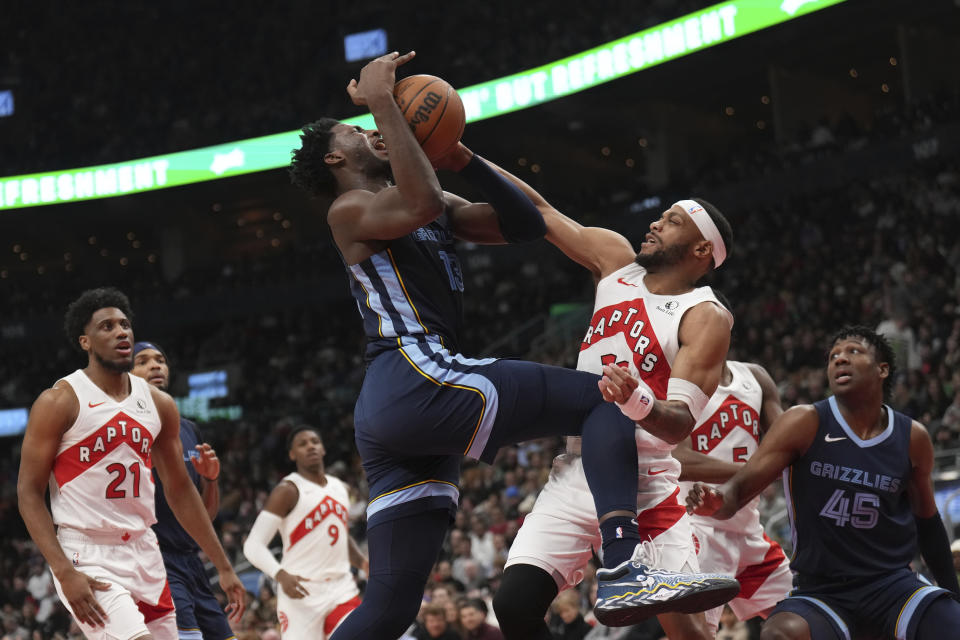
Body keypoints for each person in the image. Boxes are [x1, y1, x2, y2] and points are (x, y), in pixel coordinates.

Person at [287, 51, 734, 638]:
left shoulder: (433, 204)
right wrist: (381, 102)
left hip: (406, 410)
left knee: (391, 607)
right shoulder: (350, 208)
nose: (373, 128)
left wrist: (463, 160)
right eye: (357, 131)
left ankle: (625, 562)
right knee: (606, 397)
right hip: (415, 372)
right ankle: (624, 565)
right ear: (335, 158)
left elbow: (525, 223)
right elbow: (418, 199)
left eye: (375, 122)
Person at [491, 179, 739, 635]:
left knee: (690, 636)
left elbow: (678, 425)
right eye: (661, 216)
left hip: (645, 484)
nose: (656, 223)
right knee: (514, 605)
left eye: (672, 221)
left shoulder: (704, 314)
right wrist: (458, 155)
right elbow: (540, 209)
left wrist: (636, 399)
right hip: (577, 471)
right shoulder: (615, 262)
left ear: (702, 249)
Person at [687, 326, 960, 639]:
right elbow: (738, 489)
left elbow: (929, 524)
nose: (839, 359)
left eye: (853, 351)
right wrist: (717, 501)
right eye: (833, 356)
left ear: (882, 369)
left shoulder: (913, 437)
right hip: (824, 592)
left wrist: (952, 593)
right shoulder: (804, 422)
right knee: (779, 634)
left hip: (893, 585)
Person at [16, 287, 245, 640]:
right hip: (88, 553)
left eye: (124, 324)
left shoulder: (160, 404)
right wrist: (62, 570)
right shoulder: (59, 401)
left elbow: (181, 489)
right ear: (85, 342)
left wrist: (224, 566)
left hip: (145, 550)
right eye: (106, 326)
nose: (121, 332)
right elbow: (28, 493)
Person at [674, 360, 793, 634]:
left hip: (750, 532)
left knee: (802, 624)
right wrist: (753, 473)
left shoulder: (755, 376)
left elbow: (786, 442)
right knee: (698, 634)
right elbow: (678, 458)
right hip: (700, 532)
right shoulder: (679, 377)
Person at [131, 341, 237, 640]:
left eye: (160, 360)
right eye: (142, 361)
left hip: (192, 561)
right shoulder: (127, 428)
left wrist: (211, 481)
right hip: (154, 559)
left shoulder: (187, 429)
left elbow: (202, 517)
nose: (155, 365)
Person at [242, 426, 368, 639]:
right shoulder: (287, 490)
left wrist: (363, 562)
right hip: (301, 591)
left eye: (314, 441)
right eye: (302, 444)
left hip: (341, 588)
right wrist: (280, 575)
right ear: (292, 455)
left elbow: (340, 536)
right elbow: (253, 545)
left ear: (323, 449)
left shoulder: (340, 488)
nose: (310, 446)